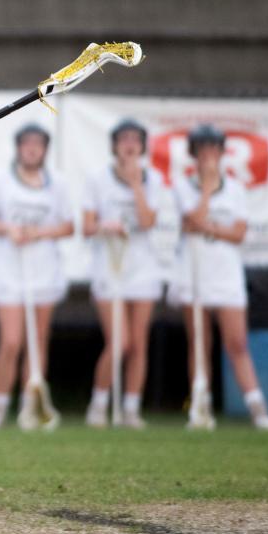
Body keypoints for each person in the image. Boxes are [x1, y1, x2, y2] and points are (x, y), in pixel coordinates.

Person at [169, 124, 268, 430]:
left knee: (237, 342)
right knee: (199, 341)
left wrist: (210, 227)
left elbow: (238, 232)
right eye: (202, 149)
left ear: (221, 152)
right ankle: (200, 406)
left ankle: (257, 407)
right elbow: (191, 220)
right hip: (194, 270)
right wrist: (204, 190)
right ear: (194, 153)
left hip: (225, 272)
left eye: (213, 149)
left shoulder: (235, 188)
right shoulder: (182, 185)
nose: (208, 155)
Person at [0, 124, 74, 431]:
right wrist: (11, 230)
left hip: (44, 269)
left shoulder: (57, 183)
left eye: (38, 144)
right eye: (27, 144)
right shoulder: (1, 180)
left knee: (37, 340)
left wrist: (38, 232)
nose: (32, 149)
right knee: (11, 341)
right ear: (18, 147)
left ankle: (30, 406)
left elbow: (68, 226)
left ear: (45, 149)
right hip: (9, 269)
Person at [82, 119, 164, 429]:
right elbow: (87, 226)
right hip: (109, 266)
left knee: (139, 343)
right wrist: (106, 226)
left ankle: (131, 407)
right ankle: (99, 404)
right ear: (115, 144)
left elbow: (147, 221)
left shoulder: (153, 179)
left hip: (142, 267)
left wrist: (135, 185)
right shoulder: (97, 179)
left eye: (135, 139)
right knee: (119, 342)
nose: (129, 145)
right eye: (124, 139)